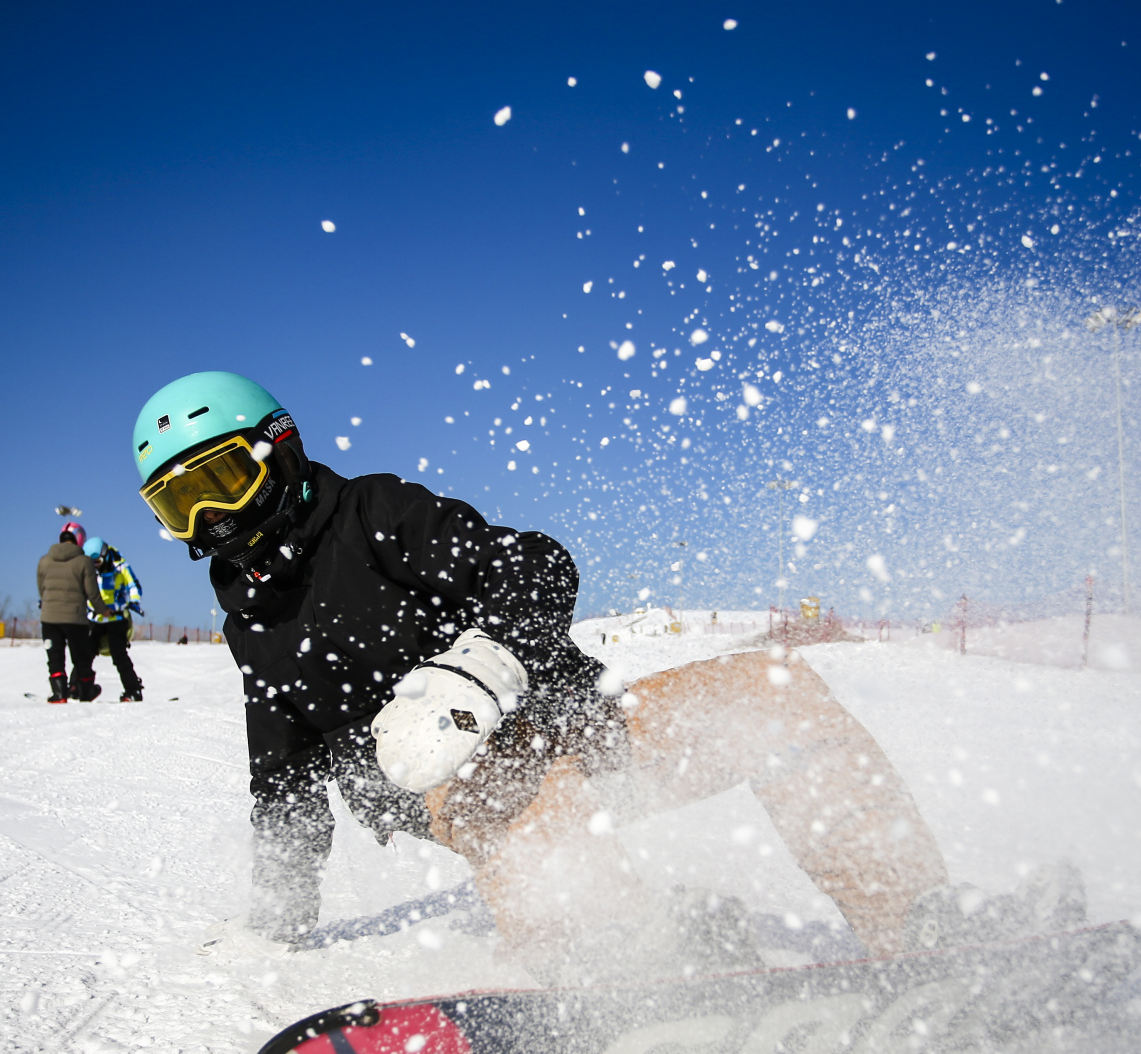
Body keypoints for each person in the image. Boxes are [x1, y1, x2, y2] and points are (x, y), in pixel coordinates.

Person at [131, 371, 1070, 982]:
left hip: (568, 723)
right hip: (448, 784)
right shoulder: (253, 625)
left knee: (774, 692)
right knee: (508, 789)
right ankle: (641, 969)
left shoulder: (376, 512)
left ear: (278, 452)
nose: (211, 518)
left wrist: (485, 661)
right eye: (179, 501)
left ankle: (919, 925)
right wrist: (278, 918)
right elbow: (285, 781)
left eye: (221, 479)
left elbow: (536, 565)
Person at [36, 521, 110, 702]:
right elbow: (92, 592)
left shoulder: (44, 561)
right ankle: (85, 692)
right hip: (75, 618)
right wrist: (103, 610)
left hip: (50, 618)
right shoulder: (84, 562)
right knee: (81, 657)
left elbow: (41, 589)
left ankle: (59, 694)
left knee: (55, 657)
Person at [82, 537, 147, 702]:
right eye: (91, 563)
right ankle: (79, 688)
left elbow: (133, 584)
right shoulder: (86, 568)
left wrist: (133, 601)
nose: (94, 566)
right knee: (85, 653)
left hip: (116, 617)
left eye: (97, 562)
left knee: (119, 654)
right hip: (94, 617)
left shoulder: (119, 564)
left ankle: (133, 691)